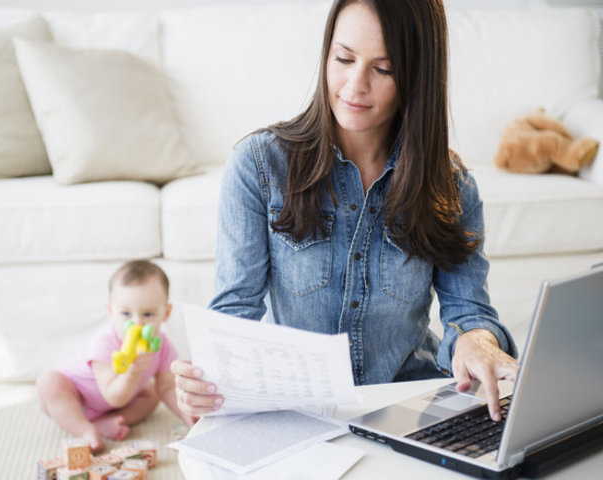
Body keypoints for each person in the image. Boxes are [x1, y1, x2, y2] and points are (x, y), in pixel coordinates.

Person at [172, 0, 518, 426]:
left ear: (416, 78)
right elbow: (234, 313)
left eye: (383, 69)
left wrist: (475, 341)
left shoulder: (452, 184)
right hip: (299, 412)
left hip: (409, 403)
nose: (355, 85)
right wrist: (208, 383)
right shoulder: (259, 165)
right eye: (344, 58)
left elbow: (470, 313)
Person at [36, 260, 186, 451]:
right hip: (74, 399)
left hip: (113, 405)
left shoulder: (162, 345)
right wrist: (132, 373)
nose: (137, 323)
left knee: (152, 393)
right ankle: (85, 430)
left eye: (148, 314)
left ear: (166, 313)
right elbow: (113, 397)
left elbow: (167, 387)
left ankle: (103, 422)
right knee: (49, 382)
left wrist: (187, 415)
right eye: (126, 314)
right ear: (110, 312)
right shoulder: (105, 342)